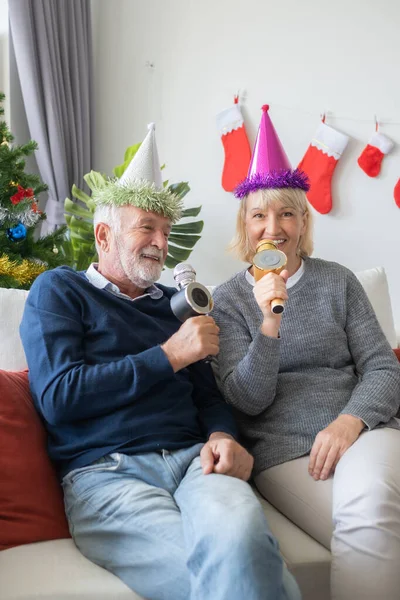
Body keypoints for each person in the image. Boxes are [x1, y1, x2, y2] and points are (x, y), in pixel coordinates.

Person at [20, 123, 300, 600]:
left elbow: (208, 396)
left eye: (166, 232)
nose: (159, 242)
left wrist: (221, 435)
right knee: (244, 577)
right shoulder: (60, 291)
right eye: (146, 227)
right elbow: (60, 398)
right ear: (104, 234)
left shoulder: (178, 303)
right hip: (107, 475)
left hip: (196, 463)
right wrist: (169, 354)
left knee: (244, 543)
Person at [212, 106, 400, 600]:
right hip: (284, 454)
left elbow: (382, 366)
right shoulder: (228, 301)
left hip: (363, 432)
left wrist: (350, 420)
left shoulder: (339, 281)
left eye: (286, 213)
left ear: (302, 221)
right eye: (259, 215)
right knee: (367, 520)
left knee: (371, 504)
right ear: (245, 225)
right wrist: (269, 321)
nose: (272, 227)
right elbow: (246, 400)